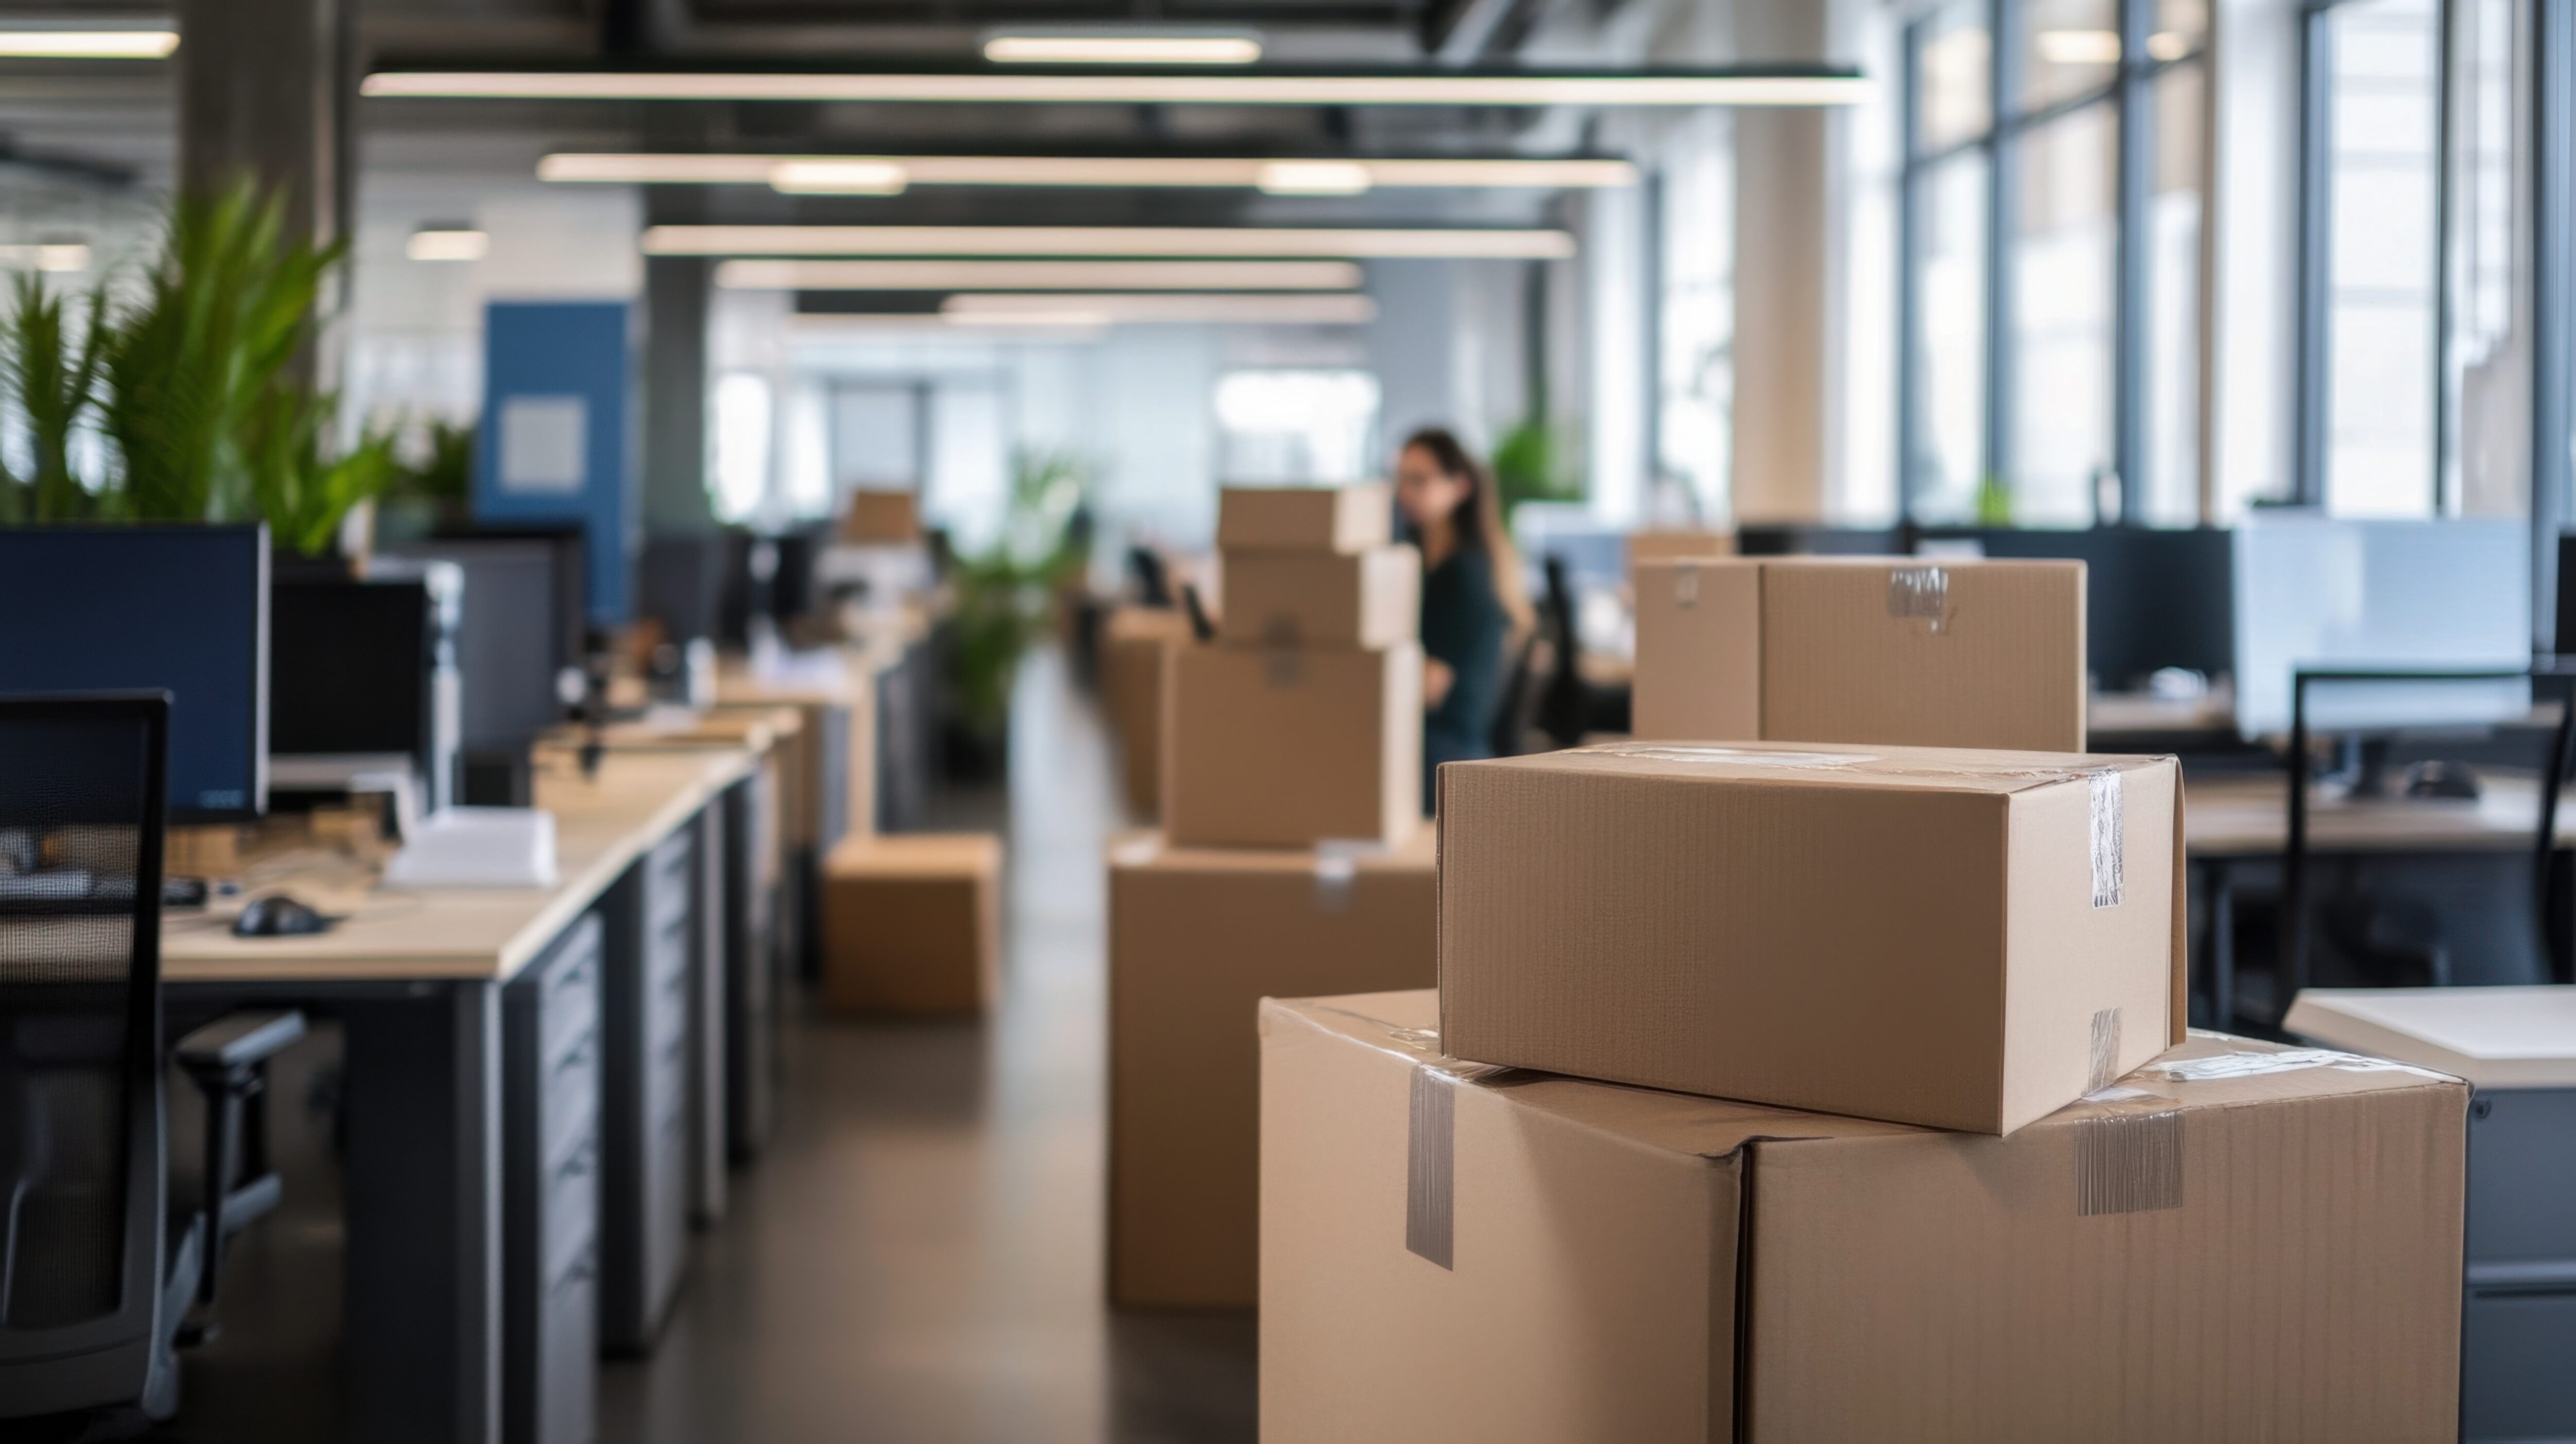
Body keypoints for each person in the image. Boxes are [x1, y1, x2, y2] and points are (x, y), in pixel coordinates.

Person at [1393, 427, 1532, 814]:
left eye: (1419, 480)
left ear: (1460, 486)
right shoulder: (1420, 562)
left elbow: (1430, 686)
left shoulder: (1464, 575)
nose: (1405, 491)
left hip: (1448, 751)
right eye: (1401, 479)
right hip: (1436, 741)